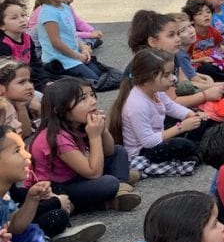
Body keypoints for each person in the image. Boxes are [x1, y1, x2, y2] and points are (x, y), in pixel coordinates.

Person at [28, 77, 141, 211]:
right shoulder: (56, 137)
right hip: (57, 188)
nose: (93, 102)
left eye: (92, 95)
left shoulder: (76, 123)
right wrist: (94, 137)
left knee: (118, 151)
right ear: (59, 110)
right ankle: (114, 191)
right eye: (83, 99)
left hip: (77, 174)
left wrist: (102, 130)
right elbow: (93, 173)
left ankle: (120, 188)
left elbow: (109, 151)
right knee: (109, 183)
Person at [108, 49, 207, 176]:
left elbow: (171, 107)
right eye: (166, 75)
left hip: (158, 135)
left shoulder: (155, 90)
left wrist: (191, 115)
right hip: (144, 151)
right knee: (182, 145)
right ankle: (199, 151)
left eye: (171, 73)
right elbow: (148, 141)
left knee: (201, 120)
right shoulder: (137, 104)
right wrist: (181, 127)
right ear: (147, 79)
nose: (173, 79)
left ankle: (197, 150)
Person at [0, 125, 74, 242]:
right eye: (17, 151)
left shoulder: (4, 193)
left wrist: (32, 199)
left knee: (31, 231)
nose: (27, 155)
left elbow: (15, 227)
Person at [35, 0, 102, 81]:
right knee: (94, 81)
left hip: (72, 56)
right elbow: (56, 42)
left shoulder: (65, 7)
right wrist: (77, 56)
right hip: (59, 61)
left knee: (100, 75)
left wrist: (83, 48)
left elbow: (71, 33)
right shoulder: (48, 13)